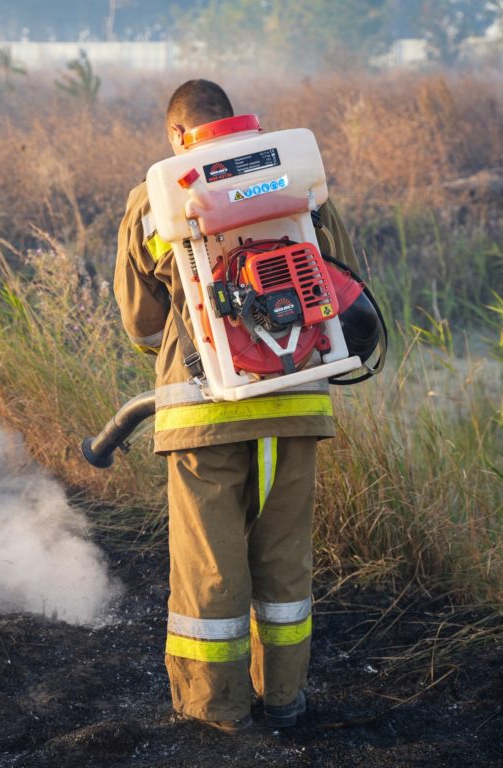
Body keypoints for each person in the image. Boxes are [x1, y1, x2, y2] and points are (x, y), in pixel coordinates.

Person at [113, 79, 357, 733]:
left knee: (209, 572)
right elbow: (344, 287)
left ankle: (213, 712)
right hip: (297, 402)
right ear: (241, 125)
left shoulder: (152, 198)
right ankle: (283, 700)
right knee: (283, 562)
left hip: (203, 414)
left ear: (176, 136)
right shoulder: (298, 177)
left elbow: (140, 325)